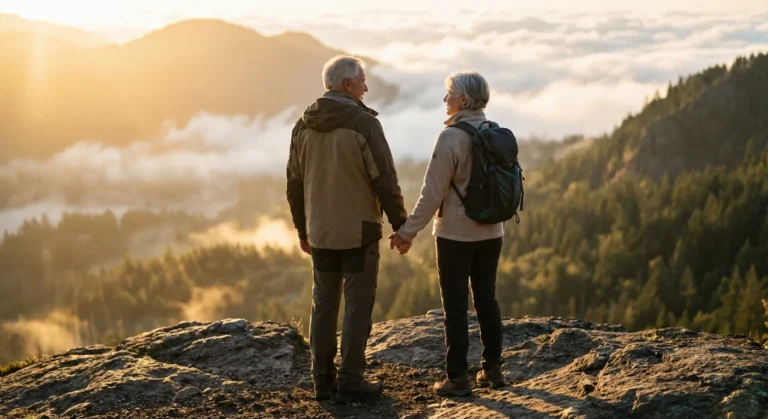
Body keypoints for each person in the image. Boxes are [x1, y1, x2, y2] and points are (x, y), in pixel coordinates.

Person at [286, 55, 408, 402]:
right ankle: (352, 378)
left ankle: (322, 381)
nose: (367, 87)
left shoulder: (302, 126)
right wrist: (402, 226)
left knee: (323, 304)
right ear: (346, 85)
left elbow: (293, 185)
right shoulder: (363, 124)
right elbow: (385, 180)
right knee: (357, 304)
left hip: (321, 232)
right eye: (363, 81)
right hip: (360, 231)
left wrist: (303, 230)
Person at [389, 71, 506, 397]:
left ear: (464, 100)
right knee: (487, 299)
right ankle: (493, 370)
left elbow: (431, 195)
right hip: (493, 232)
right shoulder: (494, 132)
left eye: (449, 94)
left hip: (456, 235)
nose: (445, 100)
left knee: (455, 305)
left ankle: (457, 377)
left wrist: (405, 233)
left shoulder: (451, 137)